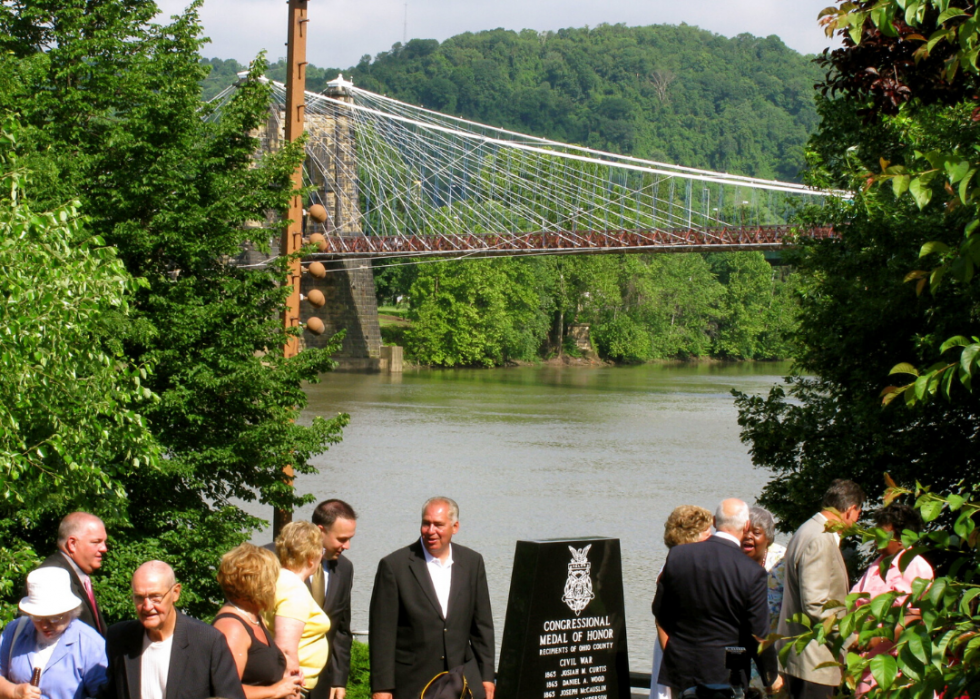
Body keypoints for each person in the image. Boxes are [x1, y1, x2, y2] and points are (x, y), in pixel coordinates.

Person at [369, 497, 494, 699]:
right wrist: (382, 688)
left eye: (438, 524)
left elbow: (482, 626)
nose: (430, 530)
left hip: (462, 681)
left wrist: (487, 676)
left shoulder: (472, 562)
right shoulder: (394, 566)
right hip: (412, 683)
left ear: (455, 527)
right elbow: (382, 634)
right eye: (426, 523)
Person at [652, 499, 778, 694]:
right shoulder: (752, 572)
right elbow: (758, 633)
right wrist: (771, 676)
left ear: (713, 521)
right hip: (725, 675)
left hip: (681, 670)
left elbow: (660, 612)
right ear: (746, 526)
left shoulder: (679, 555)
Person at [104, 560, 245, 699]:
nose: (147, 607)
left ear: (175, 592)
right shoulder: (119, 637)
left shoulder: (207, 641)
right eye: (139, 598)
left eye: (155, 597)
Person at [777, 479, 866, 699]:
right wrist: (847, 639)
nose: (856, 520)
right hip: (813, 661)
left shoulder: (807, 529)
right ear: (851, 510)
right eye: (858, 514)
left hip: (801, 658)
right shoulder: (820, 539)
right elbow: (815, 604)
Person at [850, 504, 933, 697]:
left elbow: (915, 617)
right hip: (868, 667)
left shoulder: (917, 568)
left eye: (883, 533)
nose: (876, 537)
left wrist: (879, 637)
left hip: (897, 670)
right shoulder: (877, 565)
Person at [0, 567, 107, 699]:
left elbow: (105, 695)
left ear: (71, 611)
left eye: (55, 617)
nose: (45, 625)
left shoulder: (91, 644)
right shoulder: (16, 630)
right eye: (37, 617)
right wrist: (13, 692)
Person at [214, 544, 303, 699]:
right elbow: (225, 691)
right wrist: (275, 690)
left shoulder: (254, 617)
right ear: (260, 584)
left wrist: (286, 680)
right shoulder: (232, 627)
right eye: (273, 580)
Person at [651, 506, 713, 699]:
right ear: (692, 537)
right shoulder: (673, 569)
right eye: (708, 533)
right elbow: (662, 620)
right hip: (675, 655)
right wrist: (675, 662)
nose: (713, 539)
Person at [264, 522, 330, 694]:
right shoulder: (294, 589)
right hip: (291, 686)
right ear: (311, 558)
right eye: (321, 552)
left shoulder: (276, 579)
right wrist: (291, 690)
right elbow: (285, 648)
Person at [308, 500, 357, 699]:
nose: (347, 546)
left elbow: (341, 629)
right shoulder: (273, 560)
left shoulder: (344, 568)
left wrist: (338, 678)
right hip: (278, 680)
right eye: (342, 539)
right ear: (320, 531)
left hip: (323, 685)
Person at [37, 512, 108, 636]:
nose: (104, 548)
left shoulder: (77, 574)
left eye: (104, 542)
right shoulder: (51, 578)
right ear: (72, 544)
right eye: (96, 542)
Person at [741, 506, 787, 692]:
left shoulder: (782, 562)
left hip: (773, 656)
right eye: (744, 531)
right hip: (737, 655)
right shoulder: (730, 559)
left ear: (767, 538)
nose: (748, 536)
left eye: (756, 532)